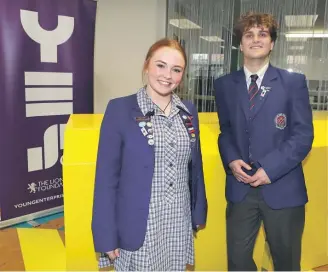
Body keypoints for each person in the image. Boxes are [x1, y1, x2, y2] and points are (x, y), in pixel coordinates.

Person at [91, 38, 207, 271]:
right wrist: (106, 234)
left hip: (177, 222)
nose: (167, 75)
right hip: (139, 225)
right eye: (160, 65)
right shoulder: (120, 109)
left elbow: (195, 167)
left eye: (176, 70)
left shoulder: (188, 112)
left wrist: (198, 210)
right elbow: (106, 179)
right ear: (146, 66)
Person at [214, 12, 314, 271]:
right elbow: (225, 131)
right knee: (237, 262)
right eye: (249, 35)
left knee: (287, 263)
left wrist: (269, 169)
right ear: (240, 43)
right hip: (240, 189)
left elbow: (303, 136)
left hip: (282, 188)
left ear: (272, 43)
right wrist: (232, 158)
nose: (255, 39)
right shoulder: (224, 85)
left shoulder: (293, 82)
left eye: (262, 34)